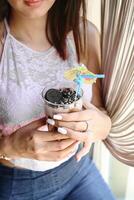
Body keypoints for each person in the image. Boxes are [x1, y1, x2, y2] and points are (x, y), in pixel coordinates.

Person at [0, 0, 115, 199]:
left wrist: (103, 125)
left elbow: (100, 110)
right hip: (18, 186)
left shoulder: (84, 34)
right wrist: (8, 146)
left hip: (79, 172)